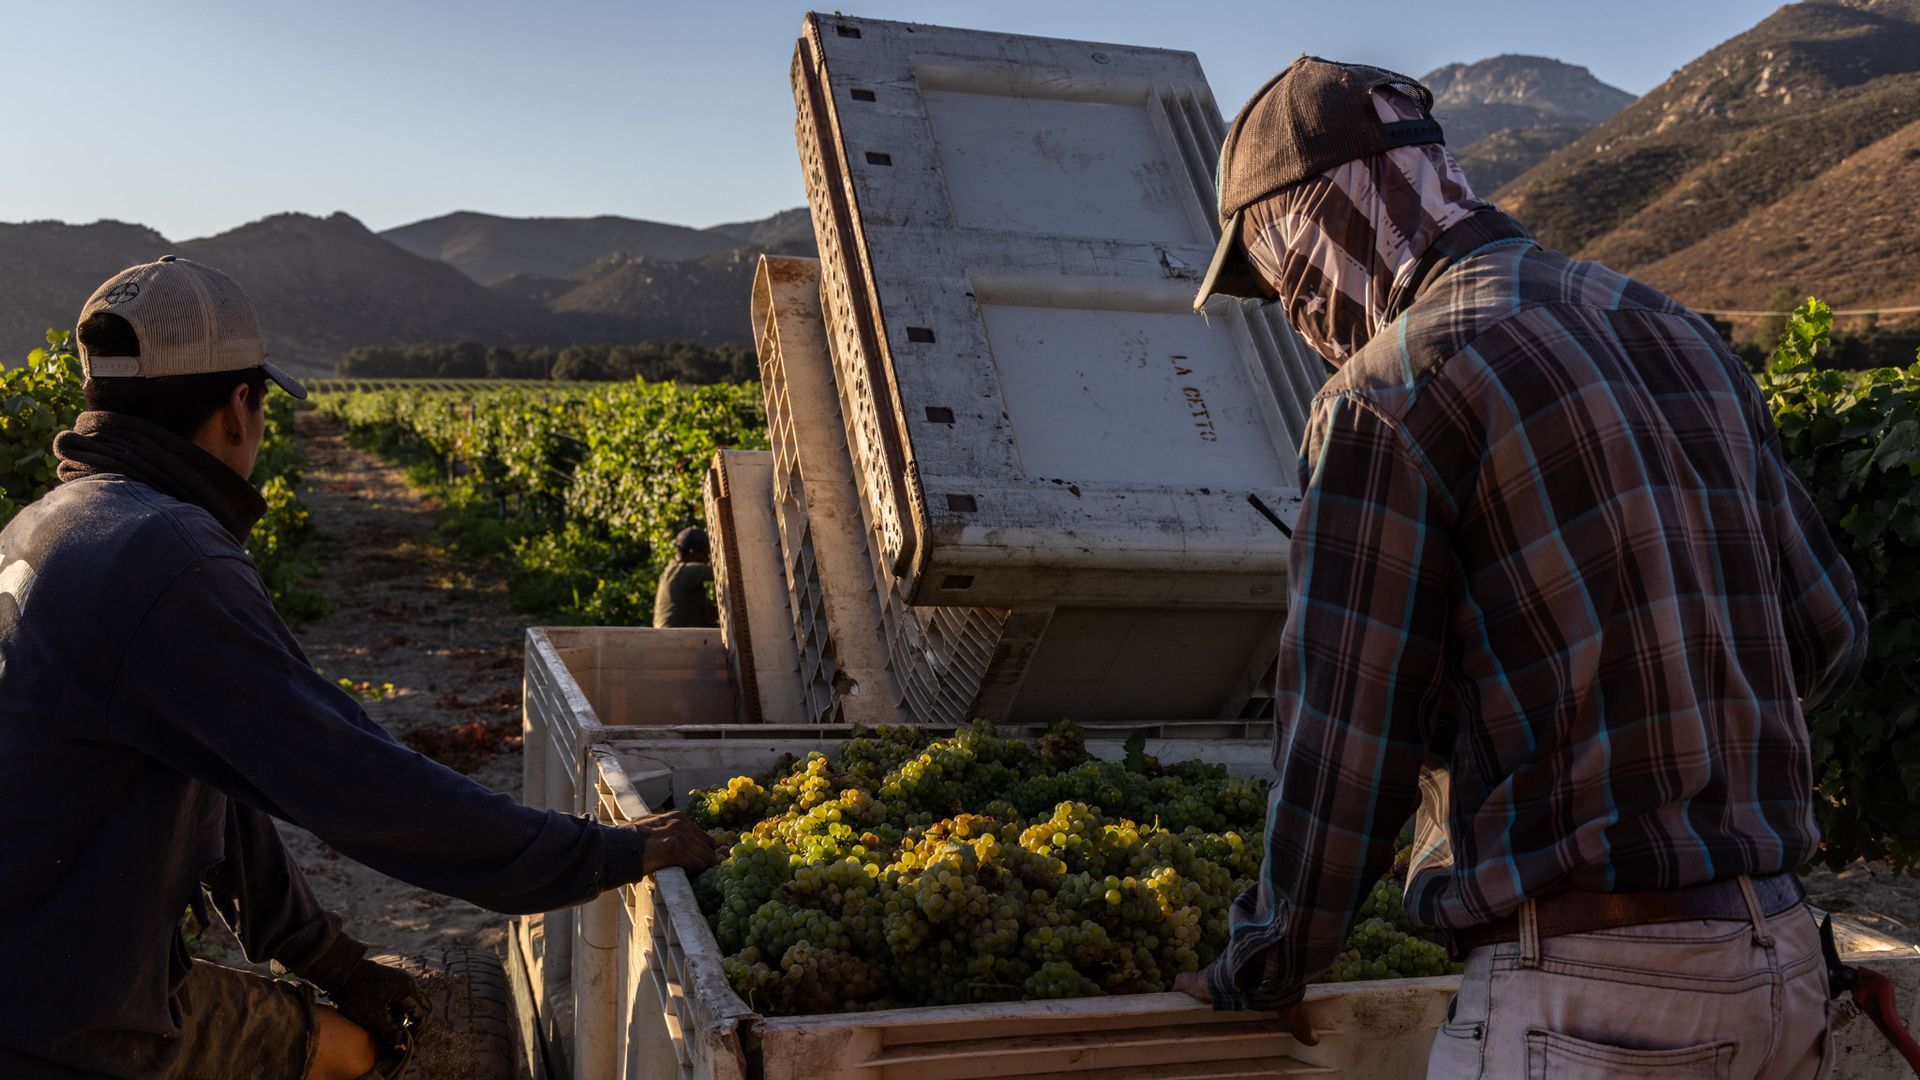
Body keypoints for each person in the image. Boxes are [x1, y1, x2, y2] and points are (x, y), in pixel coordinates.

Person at [1179, 58, 1866, 1078]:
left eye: (1281, 276)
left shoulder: (1389, 393)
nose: (1294, 310)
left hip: (1590, 998)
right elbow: (1829, 634)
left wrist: (1263, 959)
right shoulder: (1678, 333)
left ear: (1312, 227)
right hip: (1780, 964)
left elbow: (1346, 752)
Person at [0, 256, 720, 1080]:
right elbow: (354, 780)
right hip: (57, 1027)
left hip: (53, 967)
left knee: (343, 1047)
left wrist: (332, 962)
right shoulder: (165, 558)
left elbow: (215, 791)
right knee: (351, 1055)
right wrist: (602, 854)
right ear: (239, 409)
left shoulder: (46, 526)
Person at [653, 525, 718, 628]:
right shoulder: (684, 571)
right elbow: (721, 572)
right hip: (675, 640)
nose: (708, 559)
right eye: (706, 553)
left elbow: (709, 614)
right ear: (693, 552)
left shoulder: (670, 572)